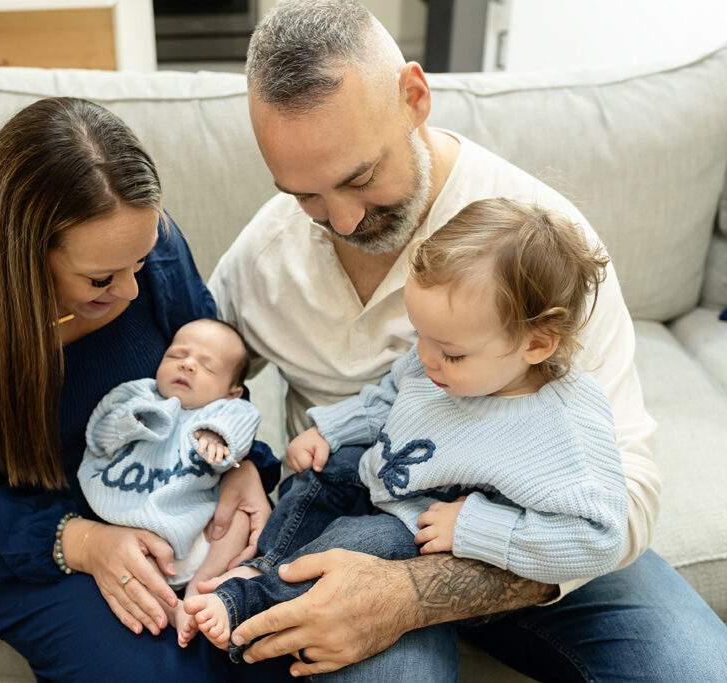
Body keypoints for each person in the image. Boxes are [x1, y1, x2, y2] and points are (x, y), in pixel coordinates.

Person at [207, 0, 727, 679]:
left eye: (361, 177)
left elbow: (626, 500)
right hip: (362, 527)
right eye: (304, 195)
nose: (343, 219)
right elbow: (197, 356)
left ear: (414, 97)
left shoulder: (538, 249)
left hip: (533, 536)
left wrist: (415, 593)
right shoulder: (267, 255)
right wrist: (234, 457)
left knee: (697, 668)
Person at [0, 97, 292, 682]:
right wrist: (88, 544)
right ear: (22, 254)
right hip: (38, 537)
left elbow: (215, 374)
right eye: (99, 279)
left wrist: (238, 468)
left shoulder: (147, 249)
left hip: (176, 494)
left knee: (275, 649)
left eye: (141, 262)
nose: (129, 291)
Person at [188, 198, 629, 657]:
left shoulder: (564, 426)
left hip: (416, 527)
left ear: (535, 344)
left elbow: (599, 539)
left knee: (356, 544)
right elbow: (388, 394)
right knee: (315, 474)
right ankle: (262, 565)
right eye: (420, 334)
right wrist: (331, 430)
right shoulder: (435, 356)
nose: (425, 357)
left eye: (451, 353)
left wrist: (475, 526)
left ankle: (247, 605)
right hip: (375, 475)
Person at [78, 317, 262, 647]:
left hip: (199, 534)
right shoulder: (138, 394)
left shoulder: (225, 410)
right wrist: (137, 421)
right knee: (137, 573)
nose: (188, 365)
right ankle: (175, 610)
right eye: (177, 355)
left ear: (232, 392)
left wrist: (217, 434)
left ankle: (202, 589)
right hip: (135, 532)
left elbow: (243, 422)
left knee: (238, 520)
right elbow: (99, 433)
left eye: (207, 366)